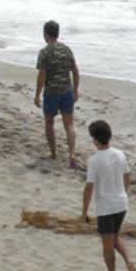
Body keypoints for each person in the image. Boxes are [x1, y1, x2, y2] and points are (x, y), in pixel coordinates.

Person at [81, 120, 136, 271]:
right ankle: (129, 263)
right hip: (122, 202)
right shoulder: (120, 154)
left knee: (107, 243)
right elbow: (127, 179)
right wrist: (122, 194)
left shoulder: (94, 160)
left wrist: (84, 212)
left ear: (95, 140)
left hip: (107, 206)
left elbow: (89, 188)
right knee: (114, 237)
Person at [33, 20, 80, 168]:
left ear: (46, 34)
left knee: (49, 122)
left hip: (52, 92)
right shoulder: (67, 50)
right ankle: (71, 154)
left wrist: (37, 95)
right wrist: (76, 89)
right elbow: (75, 71)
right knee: (69, 124)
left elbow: (42, 76)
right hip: (67, 91)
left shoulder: (45, 52)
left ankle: (53, 153)